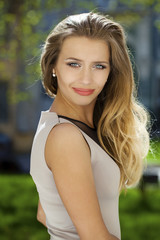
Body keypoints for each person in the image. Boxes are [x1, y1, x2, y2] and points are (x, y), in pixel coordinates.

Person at [30, 12, 150, 240]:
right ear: (52, 66)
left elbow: (44, 213)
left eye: (99, 66)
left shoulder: (63, 127)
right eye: (74, 64)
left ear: (111, 72)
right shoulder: (65, 136)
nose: (86, 79)